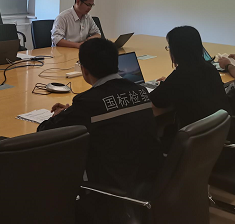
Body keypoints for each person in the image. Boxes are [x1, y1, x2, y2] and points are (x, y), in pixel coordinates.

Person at [38, 38, 162, 223]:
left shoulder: (88, 102)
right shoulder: (140, 91)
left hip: (111, 191)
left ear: (84, 70)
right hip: (150, 179)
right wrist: (72, 113)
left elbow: (46, 132)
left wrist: (60, 115)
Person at [149, 26, 230, 150]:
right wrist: (168, 84)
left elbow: (155, 102)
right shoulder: (210, 69)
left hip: (194, 145)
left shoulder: (180, 76)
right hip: (216, 138)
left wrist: (166, 85)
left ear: (176, 51)